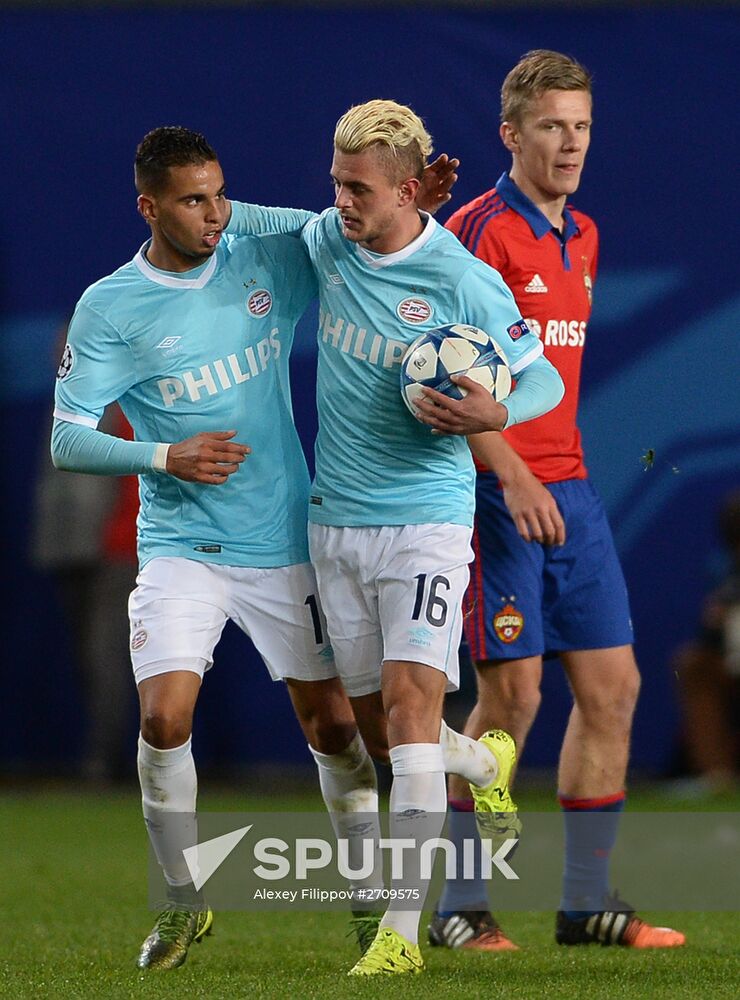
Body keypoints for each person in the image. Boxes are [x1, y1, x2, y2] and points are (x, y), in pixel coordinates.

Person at [226, 98, 565, 975]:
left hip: (426, 523)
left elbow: (544, 384)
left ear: (408, 189)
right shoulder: (330, 240)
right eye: (336, 182)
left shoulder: (461, 279)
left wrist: (496, 410)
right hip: (335, 526)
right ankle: (484, 767)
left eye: (358, 187)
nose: (340, 200)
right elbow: (251, 216)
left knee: (412, 717)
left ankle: (401, 939)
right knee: (389, 737)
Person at [50, 126, 396, 972]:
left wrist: (407, 190)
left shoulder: (258, 254)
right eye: (192, 200)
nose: (214, 215)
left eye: (219, 194)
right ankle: (181, 904)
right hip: (181, 545)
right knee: (165, 718)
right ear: (149, 206)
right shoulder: (110, 305)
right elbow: (67, 437)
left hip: (283, 540)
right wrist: (164, 455)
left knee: (336, 730)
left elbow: (344, 225)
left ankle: (367, 902)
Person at [414, 49, 686, 950]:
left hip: (571, 491)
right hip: (498, 497)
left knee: (615, 690)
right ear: (511, 133)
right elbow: (444, 385)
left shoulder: (587, 235)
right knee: (513, 702)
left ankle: (585, 902)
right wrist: (516, 474)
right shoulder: (476, 232)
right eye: (550, 127)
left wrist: (550, 475)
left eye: (581, 127)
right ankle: (458, 906)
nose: (570, 144)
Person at [31, 374, 138, 784]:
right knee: (92, 659)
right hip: (73, 550)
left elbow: (131, 474)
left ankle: (106, 760)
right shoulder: (71, 399)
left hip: (117, 550)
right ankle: (106, 755)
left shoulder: (125, 397)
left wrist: (117, 537)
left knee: (106, 656)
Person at [671, 489, 740, 792]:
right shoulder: (731, 576)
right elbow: (713, 627)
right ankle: (718, 778)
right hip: (732, 662)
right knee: (694, 664)